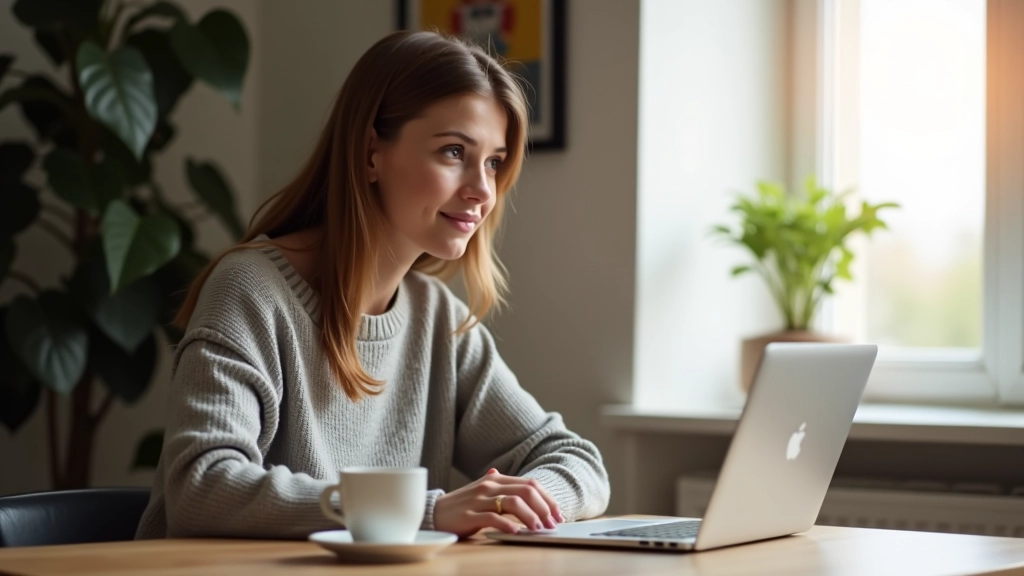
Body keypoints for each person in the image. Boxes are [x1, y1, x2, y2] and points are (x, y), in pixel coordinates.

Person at [135, 30, 610, 540]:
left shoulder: (437, 317)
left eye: (493, 162)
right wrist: (423, 512)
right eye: (454, 151)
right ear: (369, 154)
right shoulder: (250, 291)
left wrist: (523, 501)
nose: (482, 190)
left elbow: (577, 461)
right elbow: (201, 488)